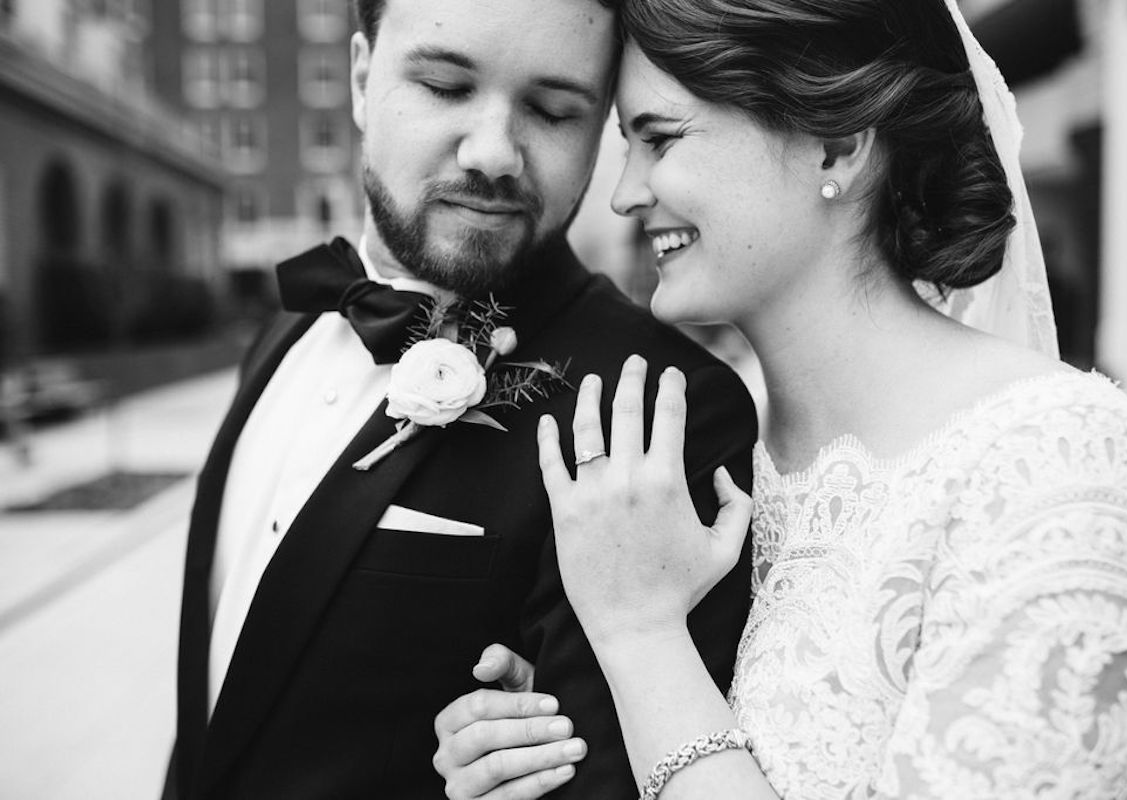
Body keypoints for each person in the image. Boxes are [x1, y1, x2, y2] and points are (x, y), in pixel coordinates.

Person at [432, 0, 1127, 797]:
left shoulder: (1058, 472)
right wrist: (572, 727)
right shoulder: (715, 453)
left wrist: (639, 638)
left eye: (660, 139)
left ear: (835, 144)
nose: (626, 195)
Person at [161, 0, 759, 797]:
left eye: (552, 110)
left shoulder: (657, 409)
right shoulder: (285, 330)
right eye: (445, 86)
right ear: (361, 76)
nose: (493, 155)